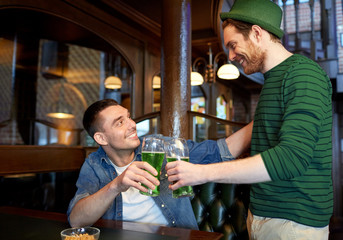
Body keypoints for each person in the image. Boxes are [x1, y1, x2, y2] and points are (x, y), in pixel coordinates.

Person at [166, 0, 333, 239]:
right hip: (261, 216)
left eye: (233, 45)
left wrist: (202, 173)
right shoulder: (274, 80)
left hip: (293, 221)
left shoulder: (303, 74)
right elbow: (242, 141)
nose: (231, 56)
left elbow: (291, 158)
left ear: (256, 33)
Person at [67, 98, 235, 229]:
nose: (133, 125)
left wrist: (257, 122)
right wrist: (116, 185)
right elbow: (76, 220)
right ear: (101, 138)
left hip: (175, 236)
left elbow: (220, 151)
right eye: (120, 122)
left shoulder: (157, 146)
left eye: (129, 117)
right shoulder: (94, 165)